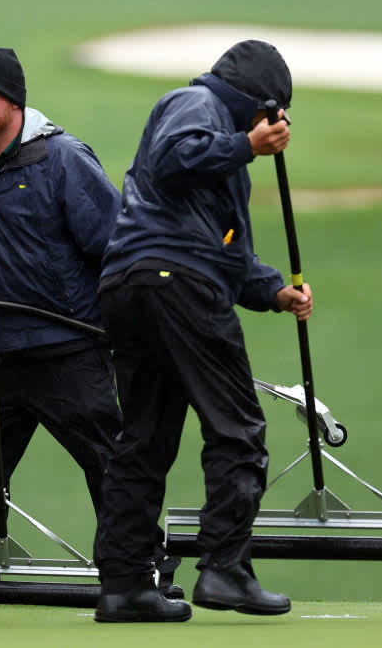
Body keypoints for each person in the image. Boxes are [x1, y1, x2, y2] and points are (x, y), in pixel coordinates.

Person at [0, 47, 181, 594]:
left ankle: (142, 567)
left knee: (107, 461)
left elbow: (114, 246)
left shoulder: (64, 160)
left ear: (14, 101)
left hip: (67, 348)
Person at [92, 40, 313, 623]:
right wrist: (246, 144)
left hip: (133, 285)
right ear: (258, 104)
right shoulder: (198, 103)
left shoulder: (222, 150)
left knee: (144, 440)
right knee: (237, 429)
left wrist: (272, 291)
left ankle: (124, 585)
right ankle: (224, 568)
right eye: (275, 113)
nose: (278, 126)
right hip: (178, 283)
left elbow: (228, 252)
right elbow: (173, 160)